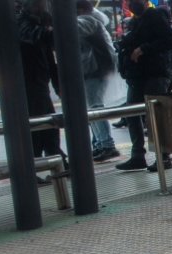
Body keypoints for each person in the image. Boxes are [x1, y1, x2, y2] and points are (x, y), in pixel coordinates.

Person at [116, 0, 172, 172]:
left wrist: (143, 49)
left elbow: (169, 41)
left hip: (154, 73)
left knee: (154, 115)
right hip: (136, 75)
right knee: (131, 113)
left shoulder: (155, 16)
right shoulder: (134, 21)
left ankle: (163, 156)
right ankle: (137, 155)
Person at [17, 0, 67, 168]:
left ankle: (56, 160)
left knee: (48, 126)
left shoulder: (37, 24)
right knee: (40, 127)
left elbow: (50, 61)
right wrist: (52, 31)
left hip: (39, 84)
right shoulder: (23, 24)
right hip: (29, 85)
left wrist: (58, 86)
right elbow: (36, 37)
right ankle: (41, 163)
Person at [76, 0, 120, 162]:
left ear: (80, 10)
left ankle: (107, 145)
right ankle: (100, 143)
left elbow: (70, 29)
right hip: (96, 69)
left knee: (94, 108)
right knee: (92, 108)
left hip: (94, 70)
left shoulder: (88, 20)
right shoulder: (95, 19)